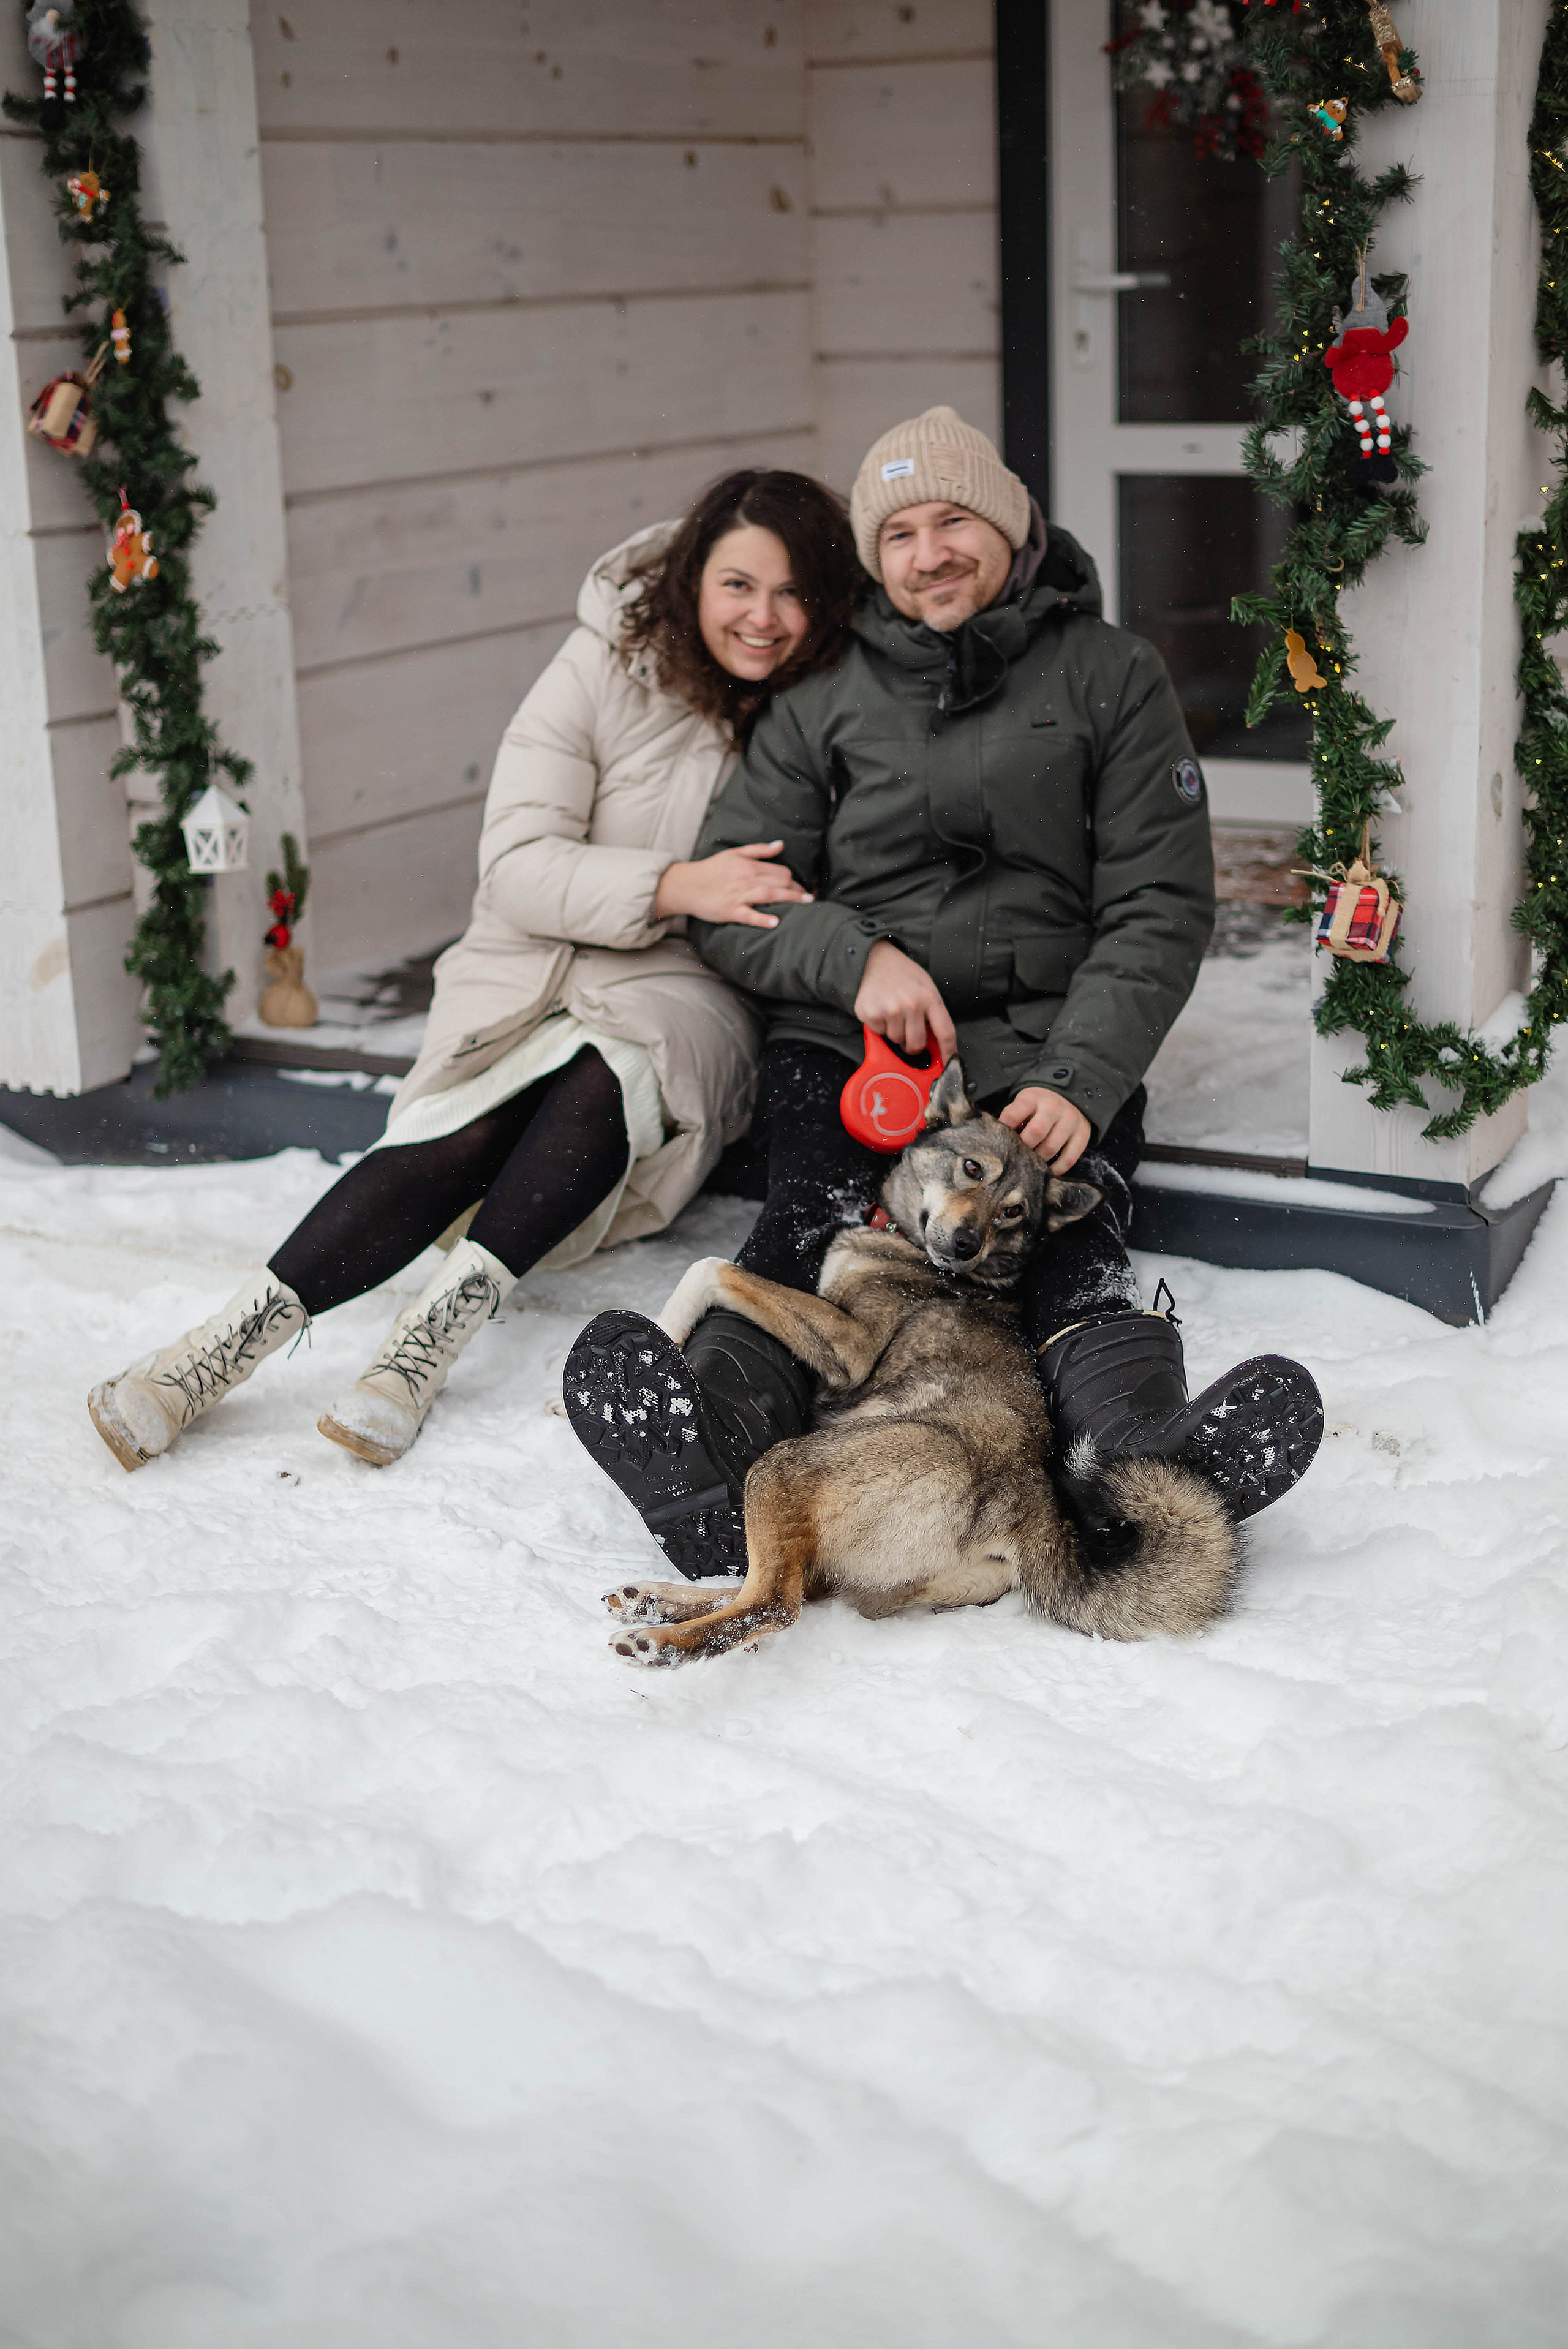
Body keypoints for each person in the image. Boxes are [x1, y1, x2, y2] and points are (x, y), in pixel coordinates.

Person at [565, 407, 1324, 1578]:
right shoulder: (822, 692)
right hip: (855, 1043)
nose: (932, 552)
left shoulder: (1112, 674)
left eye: (956, 519)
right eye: (903, 531)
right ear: (875, 557)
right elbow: (744, 899)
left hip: (1048, 1036)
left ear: (1010, 528)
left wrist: (1082, 1078)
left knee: (1077, 1235)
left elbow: (1161, 906)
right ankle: (711, 1445)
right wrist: (854, 958)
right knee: (807, 1217)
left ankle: (1150, 1451)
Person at [89, 470, 864, 1474]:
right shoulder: (603, 666)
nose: (765, 619)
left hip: (692, 978)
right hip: (535, 951)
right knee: (466, 1129)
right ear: (690, 577)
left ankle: (428, 1344)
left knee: (610, 1075)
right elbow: (514, 865)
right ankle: (215, 1350)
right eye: (739, 586)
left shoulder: (835, 706)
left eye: (795, 593)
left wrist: (712, 910)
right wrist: (675, 881)